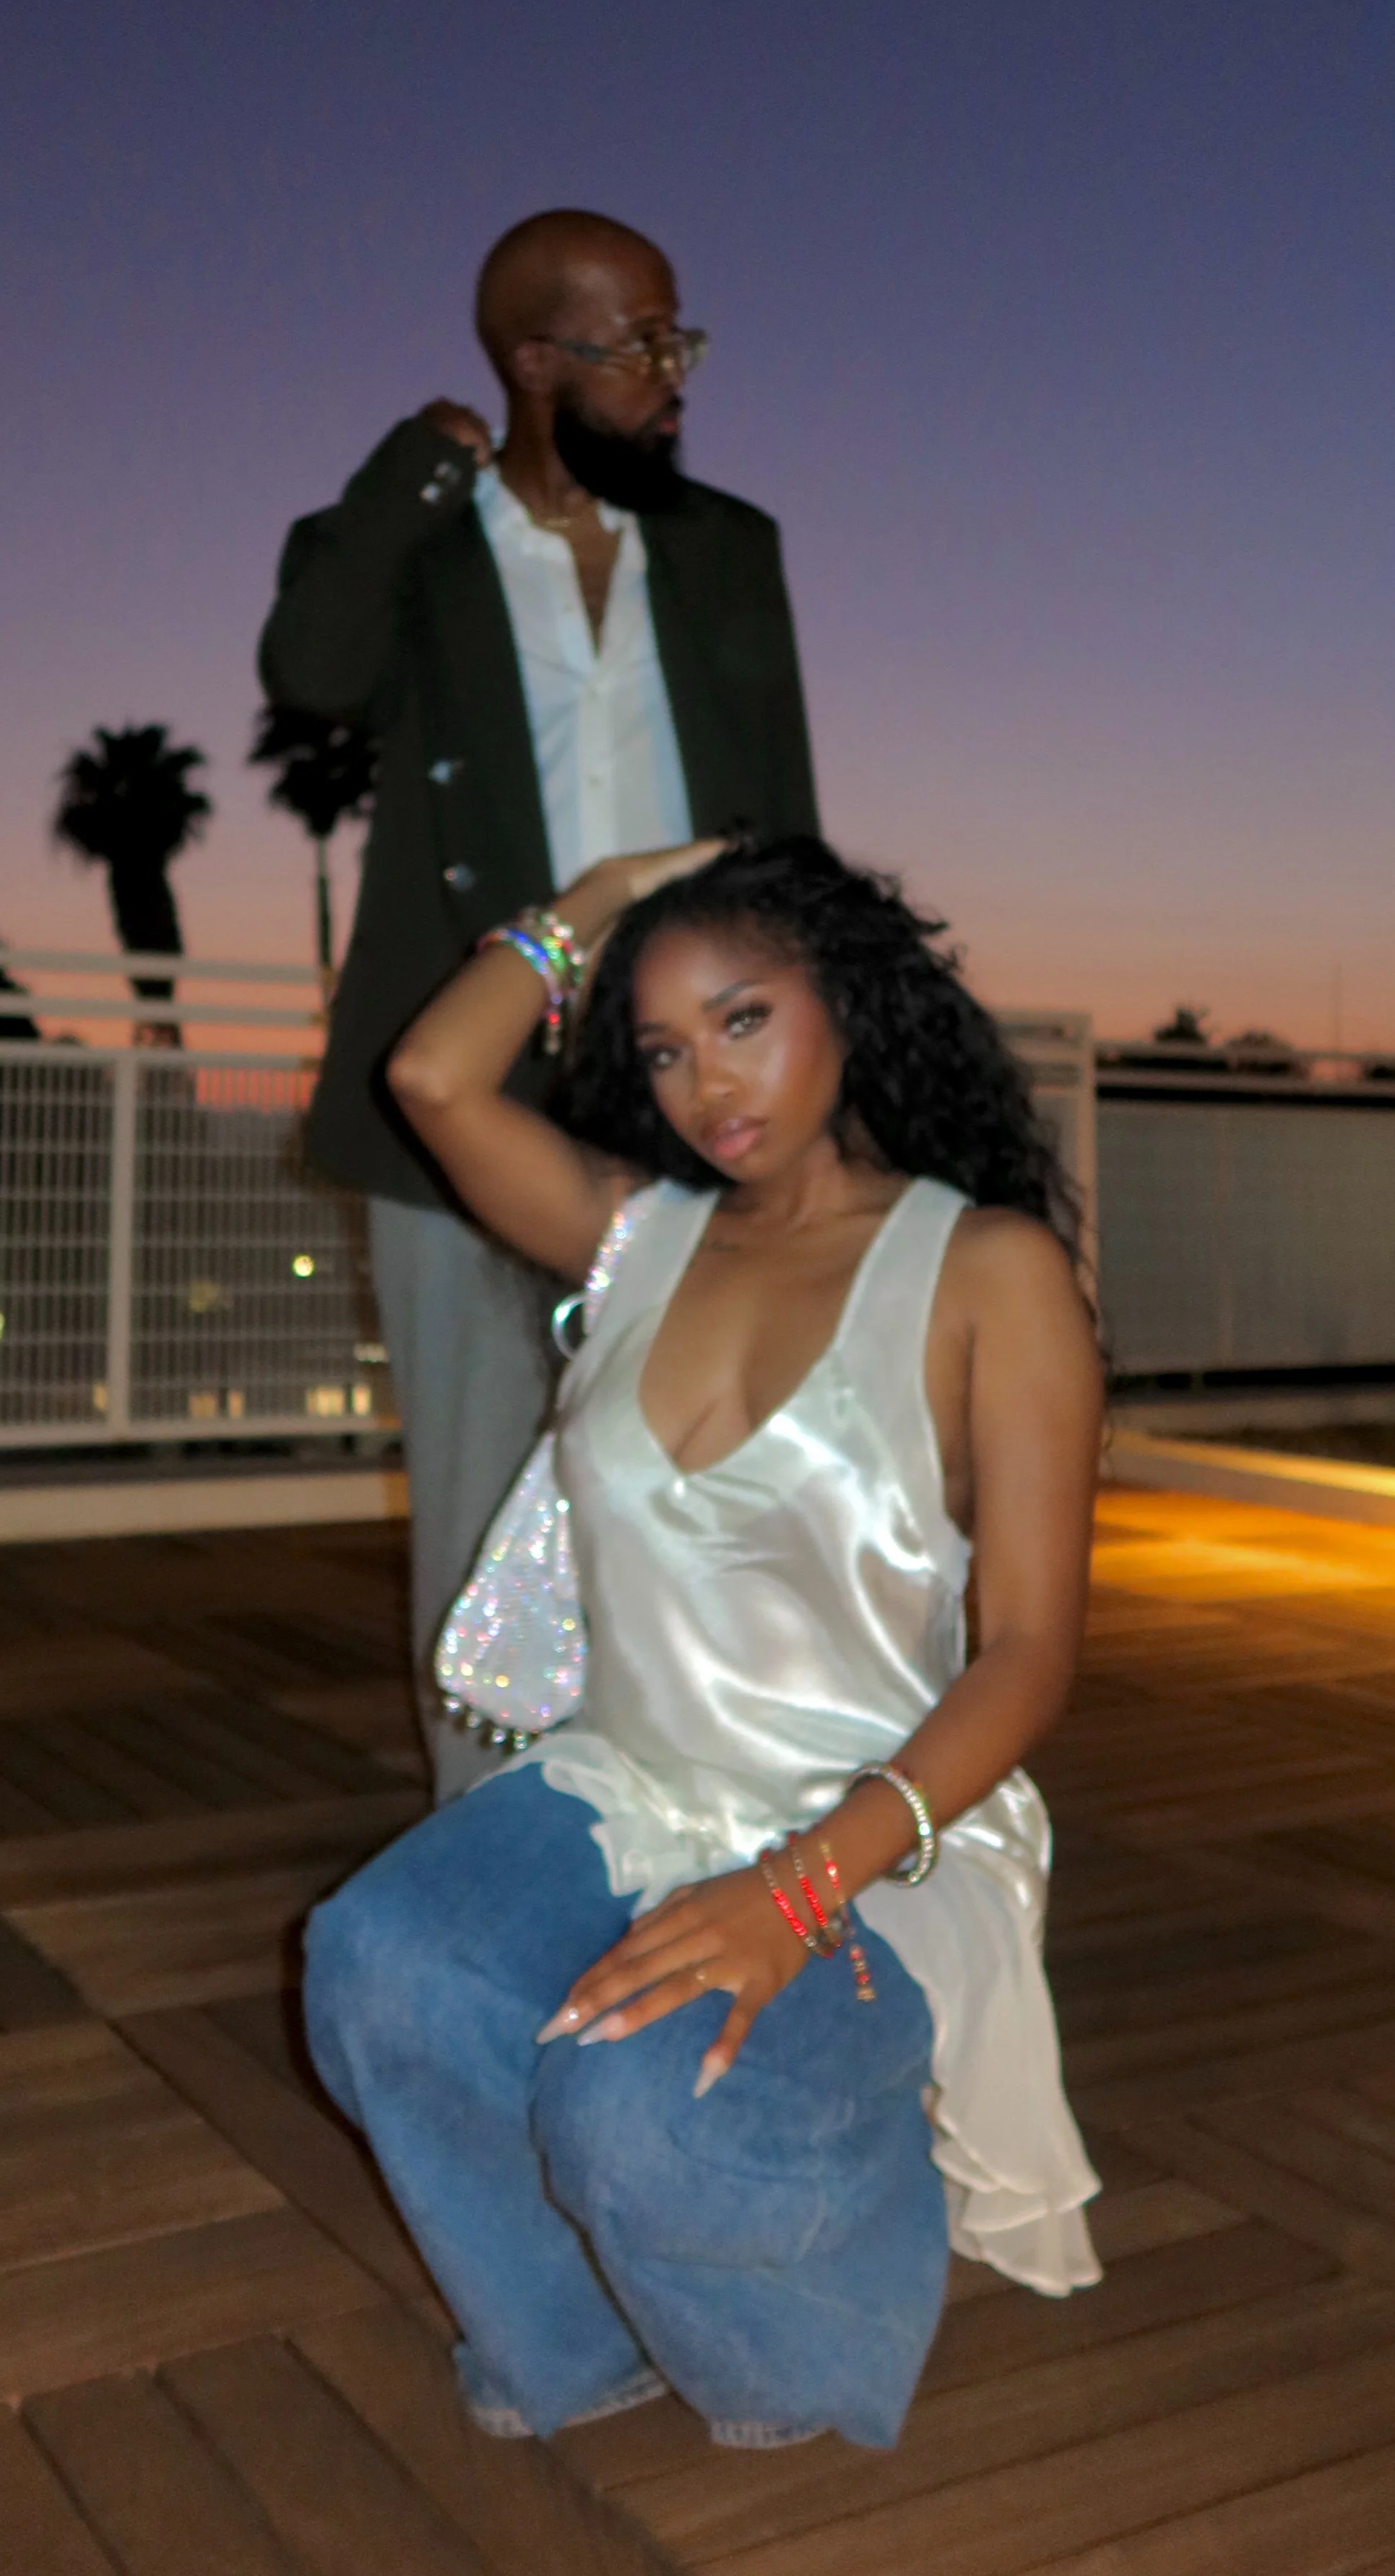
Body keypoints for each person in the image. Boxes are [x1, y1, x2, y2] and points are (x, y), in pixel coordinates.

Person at [303, 834, 1104, 2450]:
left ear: (849, 1000)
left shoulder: (986, 1269)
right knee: (375, 1963)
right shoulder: (633, 1236)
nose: (700, 1084)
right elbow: (430, 1074)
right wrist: (602, 898)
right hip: (636, 1784)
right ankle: (569, 2333)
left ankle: (821, 2308)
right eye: (660, 1046)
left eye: (741, 1018)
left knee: (636, 2114)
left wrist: (800, 1885)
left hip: (884, 1833)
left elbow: (1024, 1651)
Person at [258, 210, 819, 1790]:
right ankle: (486, 1856)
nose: (670, 374)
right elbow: (308, 664)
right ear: (532, 362)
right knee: (479, 1489)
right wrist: (405, 476)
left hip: (687, 1078)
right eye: (636, 343)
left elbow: (783, 815)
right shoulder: (423, 542)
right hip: (473, 1076)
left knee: (712, 1475)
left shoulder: (728, 547)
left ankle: (689, 1818)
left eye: (675, 338)